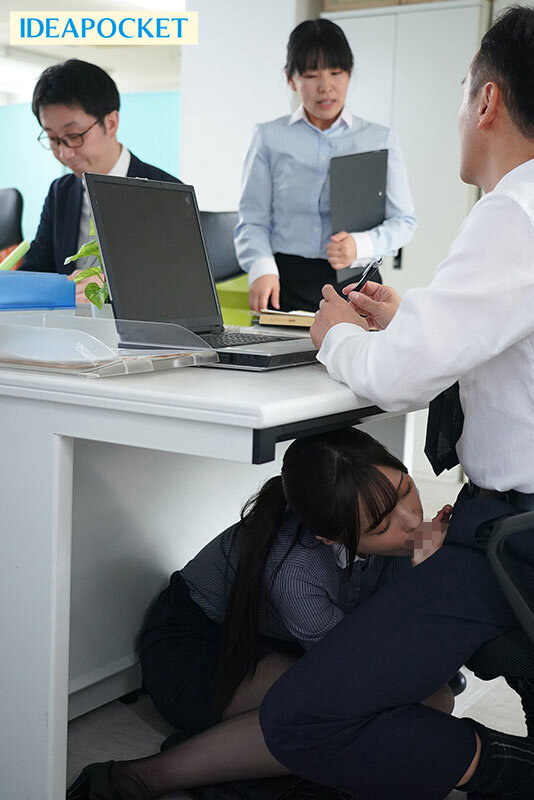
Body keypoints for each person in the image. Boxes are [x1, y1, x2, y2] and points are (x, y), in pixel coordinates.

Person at [258, 6, 534, 799]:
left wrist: (336, 336)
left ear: (487, 101)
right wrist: (411, 318)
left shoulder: (513, 213)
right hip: (510, 521)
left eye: (461, 94)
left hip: (512, 536)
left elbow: (401, 380)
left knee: (299, 721)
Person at [67, 427, 460, 800]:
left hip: (280, 641)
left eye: (405, 489)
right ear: (329, 537)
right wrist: (427, 580)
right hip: (197, 653)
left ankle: (239, 746)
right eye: (382, 524)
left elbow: (392, 638)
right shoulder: (295, 570)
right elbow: (359, 669)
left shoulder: (393, 532)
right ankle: (142, 775)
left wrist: (435, 566)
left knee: (434, 699)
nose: (412, 521)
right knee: (357, 707)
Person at [234, 19, 417, 314]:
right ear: (291, 79)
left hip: (357, 286)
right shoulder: (268, 137)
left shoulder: (379, 140)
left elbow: (404, 221)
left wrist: (360, 245)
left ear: (349, 74)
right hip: (284, 284)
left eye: (336, 73)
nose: (325, 87)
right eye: (311, 75)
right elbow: (252, 221)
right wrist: (261, 268)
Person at [19, 59, 180, 303]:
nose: (65, 153)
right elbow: (35, 272)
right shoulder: (61, 192)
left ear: (111, 123)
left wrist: (112, 286)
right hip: (69, 322)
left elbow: (177, 286)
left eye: (74, 136)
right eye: (53, 139)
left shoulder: (167, 193)